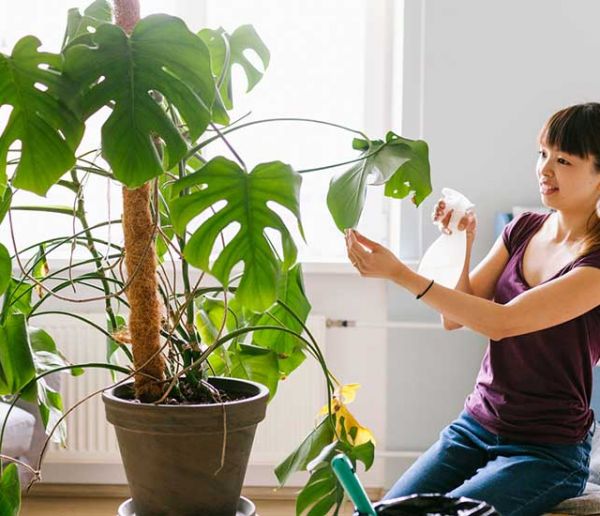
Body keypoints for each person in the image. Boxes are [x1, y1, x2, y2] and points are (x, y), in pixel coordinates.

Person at [344, 102, 600, 515]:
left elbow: (502, 323)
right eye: (542, 154)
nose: (545, 169)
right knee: (385, 511)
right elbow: (453, 318)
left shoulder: (596, 265)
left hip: (545, 451)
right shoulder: (523, 230)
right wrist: (461, 241)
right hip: (474, 426)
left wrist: (399, 274)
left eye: (564, 159)